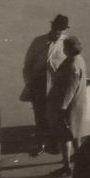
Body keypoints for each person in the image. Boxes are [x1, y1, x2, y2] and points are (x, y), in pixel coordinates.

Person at [22, 14, 70, 156]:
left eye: (61, 30)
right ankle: (41, 143)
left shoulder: (66, 42)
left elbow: (70, 63)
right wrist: (29, 83)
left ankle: (54, 144)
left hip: (56, 84)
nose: (57, 32)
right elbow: (27, 65)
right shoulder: (38, 41)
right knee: (40, 115)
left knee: (55, 115)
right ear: (51, 26)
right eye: (56, 28)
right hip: (38, 84)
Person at [47, 36, 88, 176]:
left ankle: (66, 166)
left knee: (65, 137)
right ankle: (81, 162)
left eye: (65, 47)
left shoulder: (71, 65)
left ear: (69, 49)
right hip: (78, 104)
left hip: (68, 107)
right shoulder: (79, 60)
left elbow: (70, 88)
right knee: (76, 135)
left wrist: (62, 108)